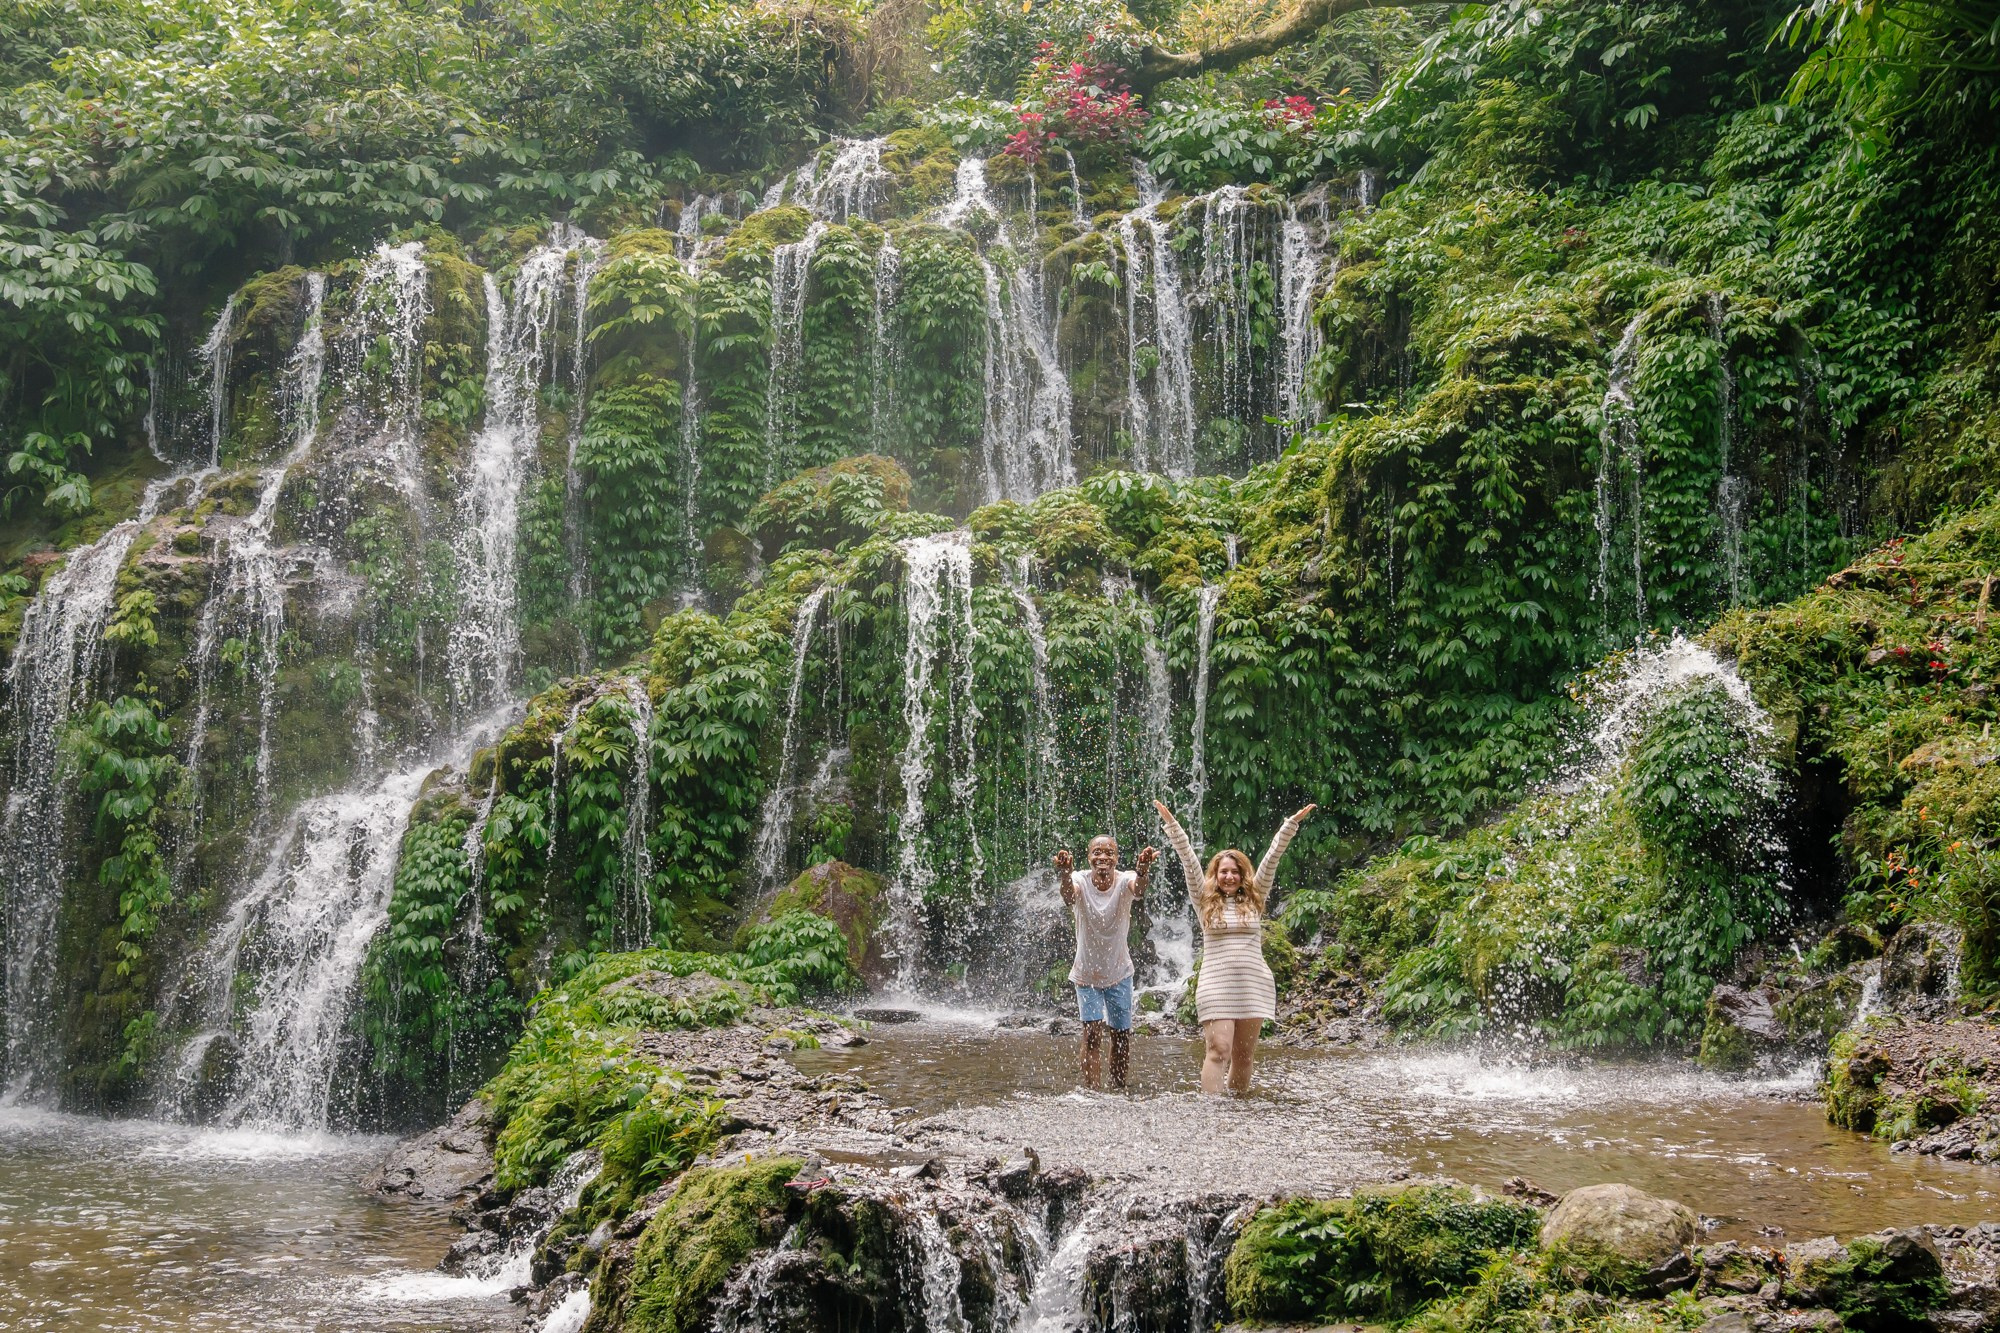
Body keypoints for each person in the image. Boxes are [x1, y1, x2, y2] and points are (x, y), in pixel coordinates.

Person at [1153, 798, 1316, 1094]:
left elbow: (1272, 859)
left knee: (1243, 1057)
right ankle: (1212, 1111)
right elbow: (1189, 861)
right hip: (1216, 984)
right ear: (1215, 875)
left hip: (1253, 983)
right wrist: (1173, 827)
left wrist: (1290, 826)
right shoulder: (1204, 900)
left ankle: (1238, 1112)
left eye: (1234, 871)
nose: (1229, 876)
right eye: (1223, 871)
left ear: (1242, 875)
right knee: (1218, 1050)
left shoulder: (1256, 897)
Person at [1052, 835, 1158, 1090]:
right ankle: (1093, 1092)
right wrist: (1065, 874)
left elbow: (1139, 890)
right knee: (1091, 1035)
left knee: (1121, 1037)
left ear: (1117, 858)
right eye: (1097, 852)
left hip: (1119, 972)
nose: (1103, 857)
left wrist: (1143, 870)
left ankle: (1119, 1089)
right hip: (1086, 974)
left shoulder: (1124, 880)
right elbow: (1069, 897)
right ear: (1089, 858)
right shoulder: (1079, 879)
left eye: (1109, 853)